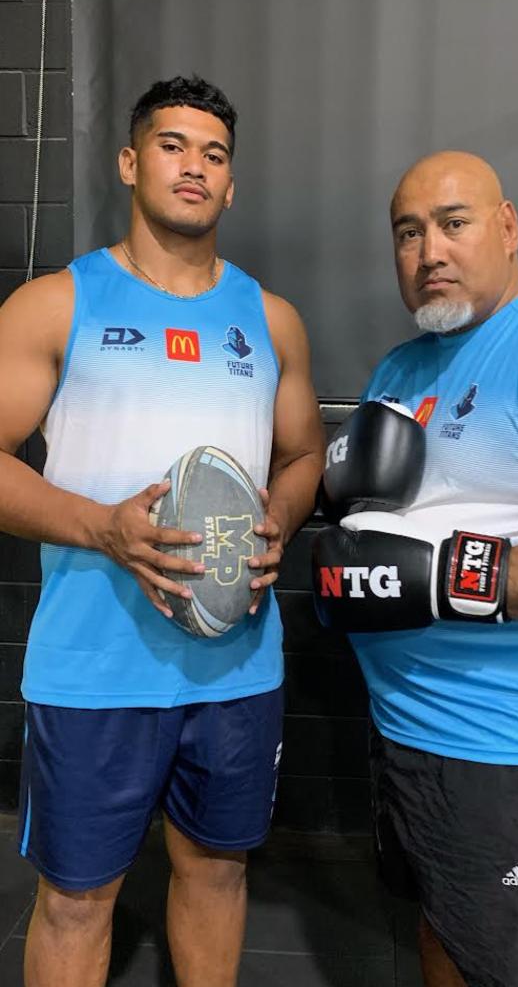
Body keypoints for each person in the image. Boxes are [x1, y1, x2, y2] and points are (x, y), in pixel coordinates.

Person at [0, 75, 324, 987]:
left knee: (218, 874)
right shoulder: (57, 305)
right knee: (74, 899)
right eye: (175, 146)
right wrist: (101, 527)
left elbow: (305, 456)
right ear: (132, 162)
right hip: (93, 670)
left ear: (232, 185)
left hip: (236, 668)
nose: (195, 167)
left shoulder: (271, 322)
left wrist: (284, 510)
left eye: (214, 155)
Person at [312, 150, 518, 987]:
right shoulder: (401, 369)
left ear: (507, 227)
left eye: (454, 223)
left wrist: (431, 575)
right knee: (442, 932)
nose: (430, 251)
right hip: (405, 733)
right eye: (408, 232)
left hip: (517, 754)